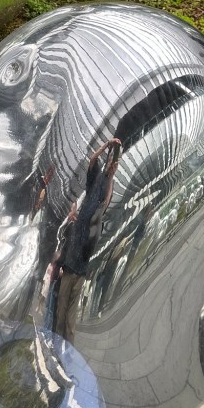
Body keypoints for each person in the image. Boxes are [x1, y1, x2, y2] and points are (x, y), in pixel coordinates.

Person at [54, 138, 121, 344]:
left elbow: (106, 201)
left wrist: (112, 176)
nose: (111, 165)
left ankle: (67, 352)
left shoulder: (105, 191)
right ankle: (55, 347)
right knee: (61, 312)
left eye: (114, 163)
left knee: (70, 320)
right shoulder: (95, 180)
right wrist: (107, 145)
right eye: (110, 161)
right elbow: (92, 159)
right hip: (71, 264)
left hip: (81, 266)